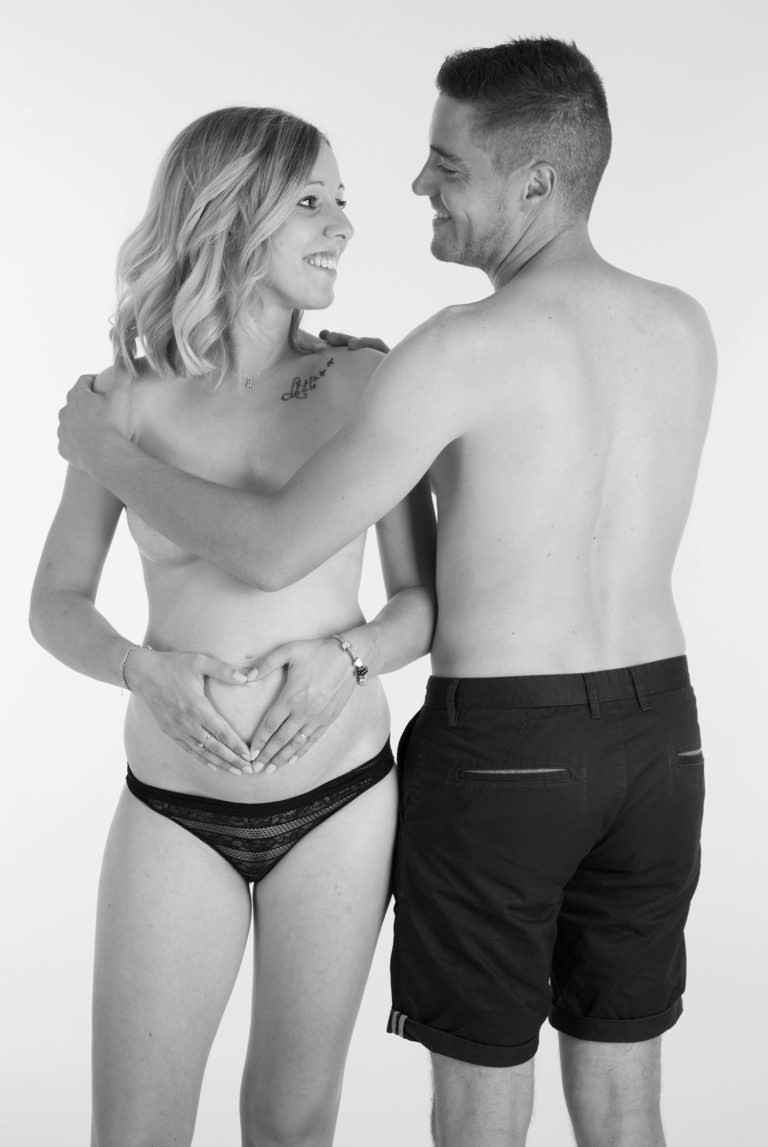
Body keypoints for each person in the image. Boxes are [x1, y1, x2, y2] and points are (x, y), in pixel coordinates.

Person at [57, 37, 716, 1147]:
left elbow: (276, 549)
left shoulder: (443, 354)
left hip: (505, 743)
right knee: (625, 1098)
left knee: (477, 1098)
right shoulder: (683, 323)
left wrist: (102, 451)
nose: (416, 189)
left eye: (446, 167)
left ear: (535, 185)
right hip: (662, 738)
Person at [30, 105, 436, 1147]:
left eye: (341, 201)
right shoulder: (123, 401)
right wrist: (140, 670)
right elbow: (55, 600)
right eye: (312, 201)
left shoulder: (366, 382)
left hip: (341, 800)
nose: (343, 224)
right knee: (135, 1131)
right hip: (176, 807)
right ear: (233, 210)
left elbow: (422, 600)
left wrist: (352, 657)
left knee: (292, 1124)